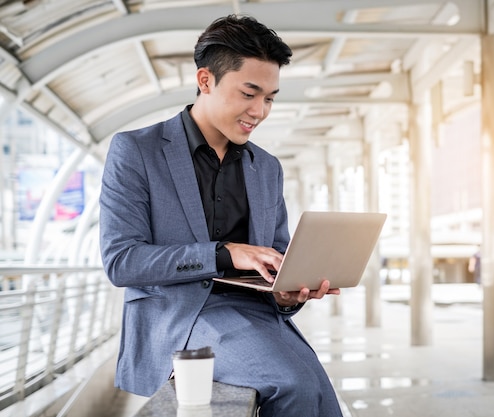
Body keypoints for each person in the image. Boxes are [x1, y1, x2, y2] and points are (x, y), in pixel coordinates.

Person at [99, 14, 343, 416]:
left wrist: (286, 294)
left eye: (269, 97)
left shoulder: (266, 168)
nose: (260, 111)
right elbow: (122, 262)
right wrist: (224, 253)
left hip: (254, 316)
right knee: (294, 384)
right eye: (249, 93)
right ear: (205, 81)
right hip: (177, 316)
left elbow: (277, 258)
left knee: (319, 392)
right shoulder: (136, 151)